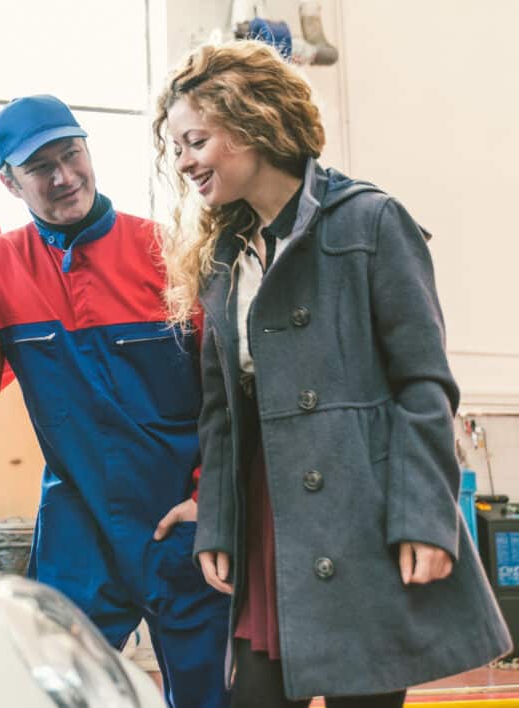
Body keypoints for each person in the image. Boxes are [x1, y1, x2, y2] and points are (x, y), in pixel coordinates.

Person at [153, 39, 511, 708]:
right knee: (253, 695)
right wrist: (219, 522)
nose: (184, 163)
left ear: (250, 117)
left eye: (195, 140)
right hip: (271, 522)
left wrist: (424, 516)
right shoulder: (224, 259)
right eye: (175, 149)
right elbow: (223, 412)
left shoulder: (373, 222)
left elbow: (423, 386)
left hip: (363, 520)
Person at [0, 94, 231, 708]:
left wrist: (212, 498)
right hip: (81, 527)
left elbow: (226, 398)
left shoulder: (171, 253)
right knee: (50, 693)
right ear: (9, 183)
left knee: (212, 699)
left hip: (181, 521)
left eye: (71, 155)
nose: (64, 177)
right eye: (41, 167)